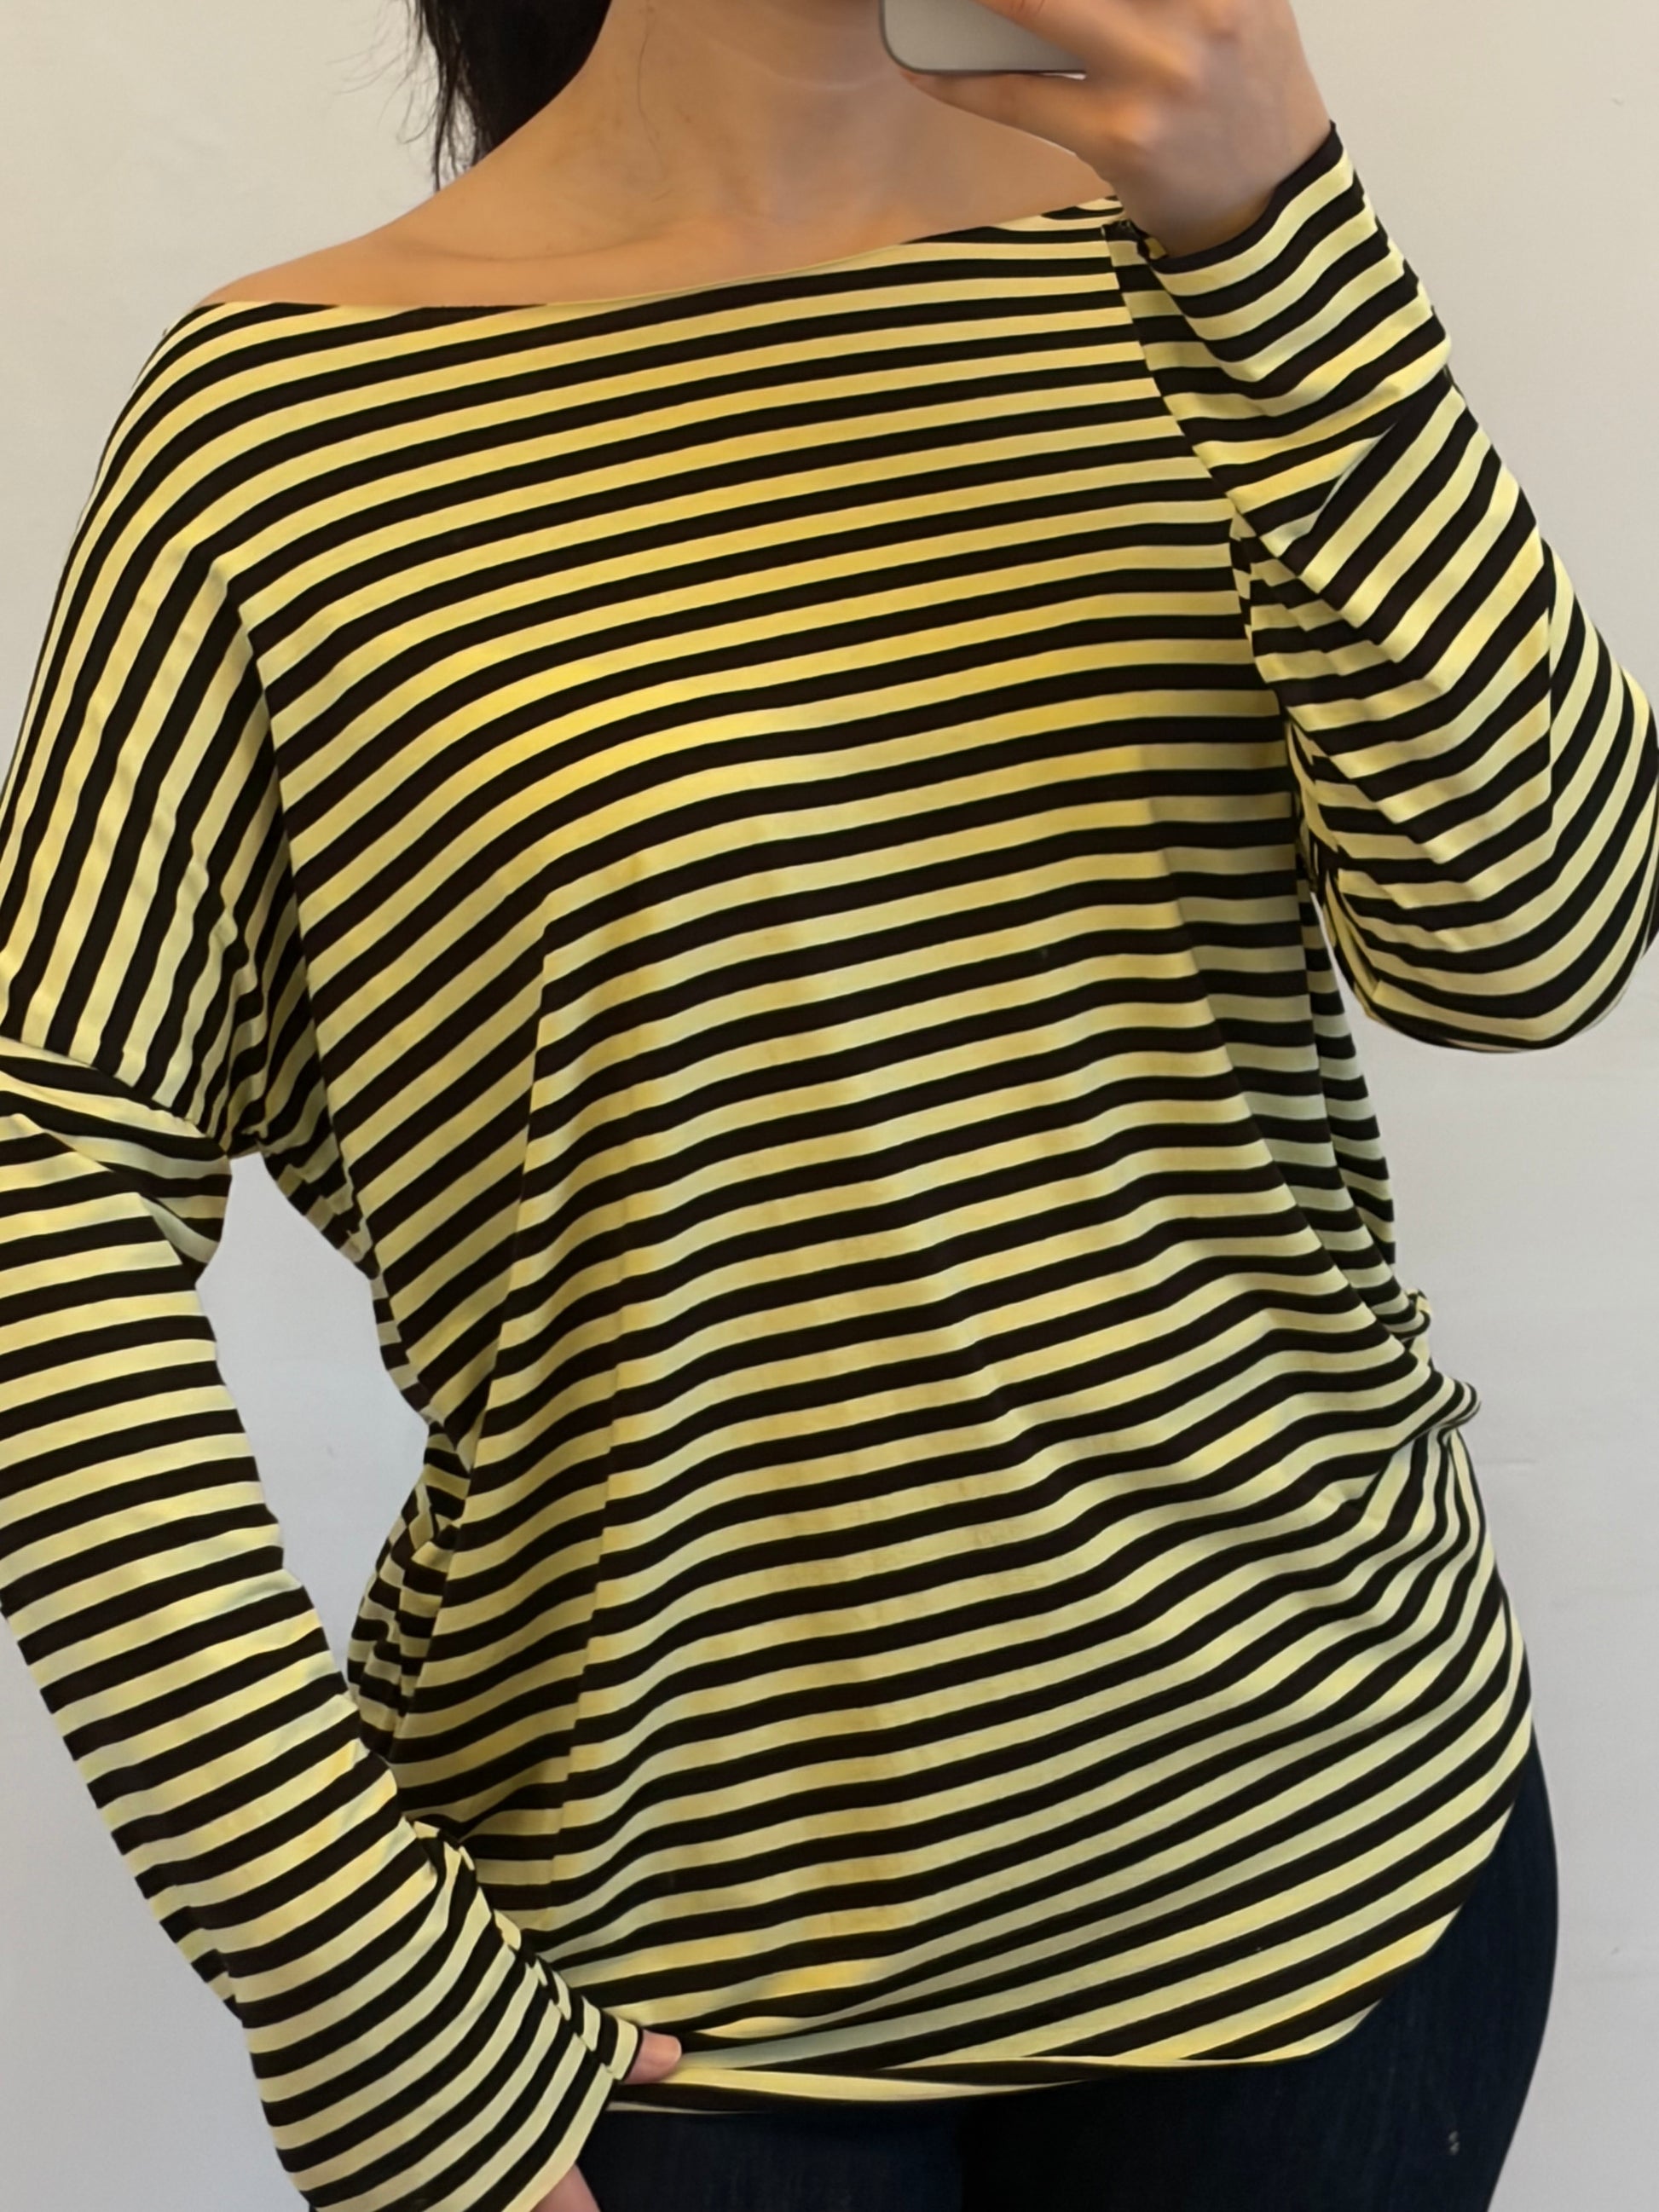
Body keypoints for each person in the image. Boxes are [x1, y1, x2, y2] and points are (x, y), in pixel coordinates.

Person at [6, 0, 1651, 2207]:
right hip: (654, 2002)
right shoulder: (281, 429)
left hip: (1336, 1880)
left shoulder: (1203, 278)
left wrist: (1279, 248)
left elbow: (1526, 948)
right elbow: (47, 1190)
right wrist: (351, 1981)